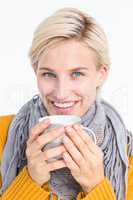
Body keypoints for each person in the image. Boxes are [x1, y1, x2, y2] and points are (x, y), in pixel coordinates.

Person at [0, 7, 133, 200]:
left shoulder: (126, 156)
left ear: (101, 74)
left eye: (77, 74)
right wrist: (30, 180)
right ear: (35, 70)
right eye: (48, 74)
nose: (61, 93)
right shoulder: (2, 135)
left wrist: (96, 187)